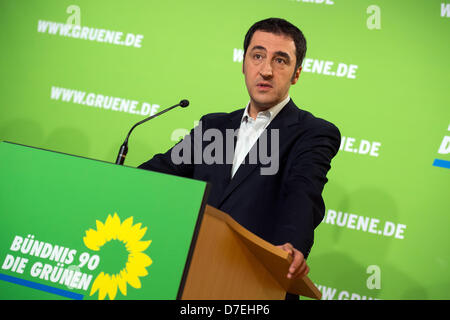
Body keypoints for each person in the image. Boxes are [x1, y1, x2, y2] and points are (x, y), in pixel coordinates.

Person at [138, 18, 341, 299]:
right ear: (244, 63)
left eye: (280, 60)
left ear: (296, 74)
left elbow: (303, 193)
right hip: (186, 276)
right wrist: (119, 186)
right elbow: (161, 172)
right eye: (257, 56)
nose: (266, 70)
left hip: (255, 285)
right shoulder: (214, 126)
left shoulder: (313, 133)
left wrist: (290, 245)